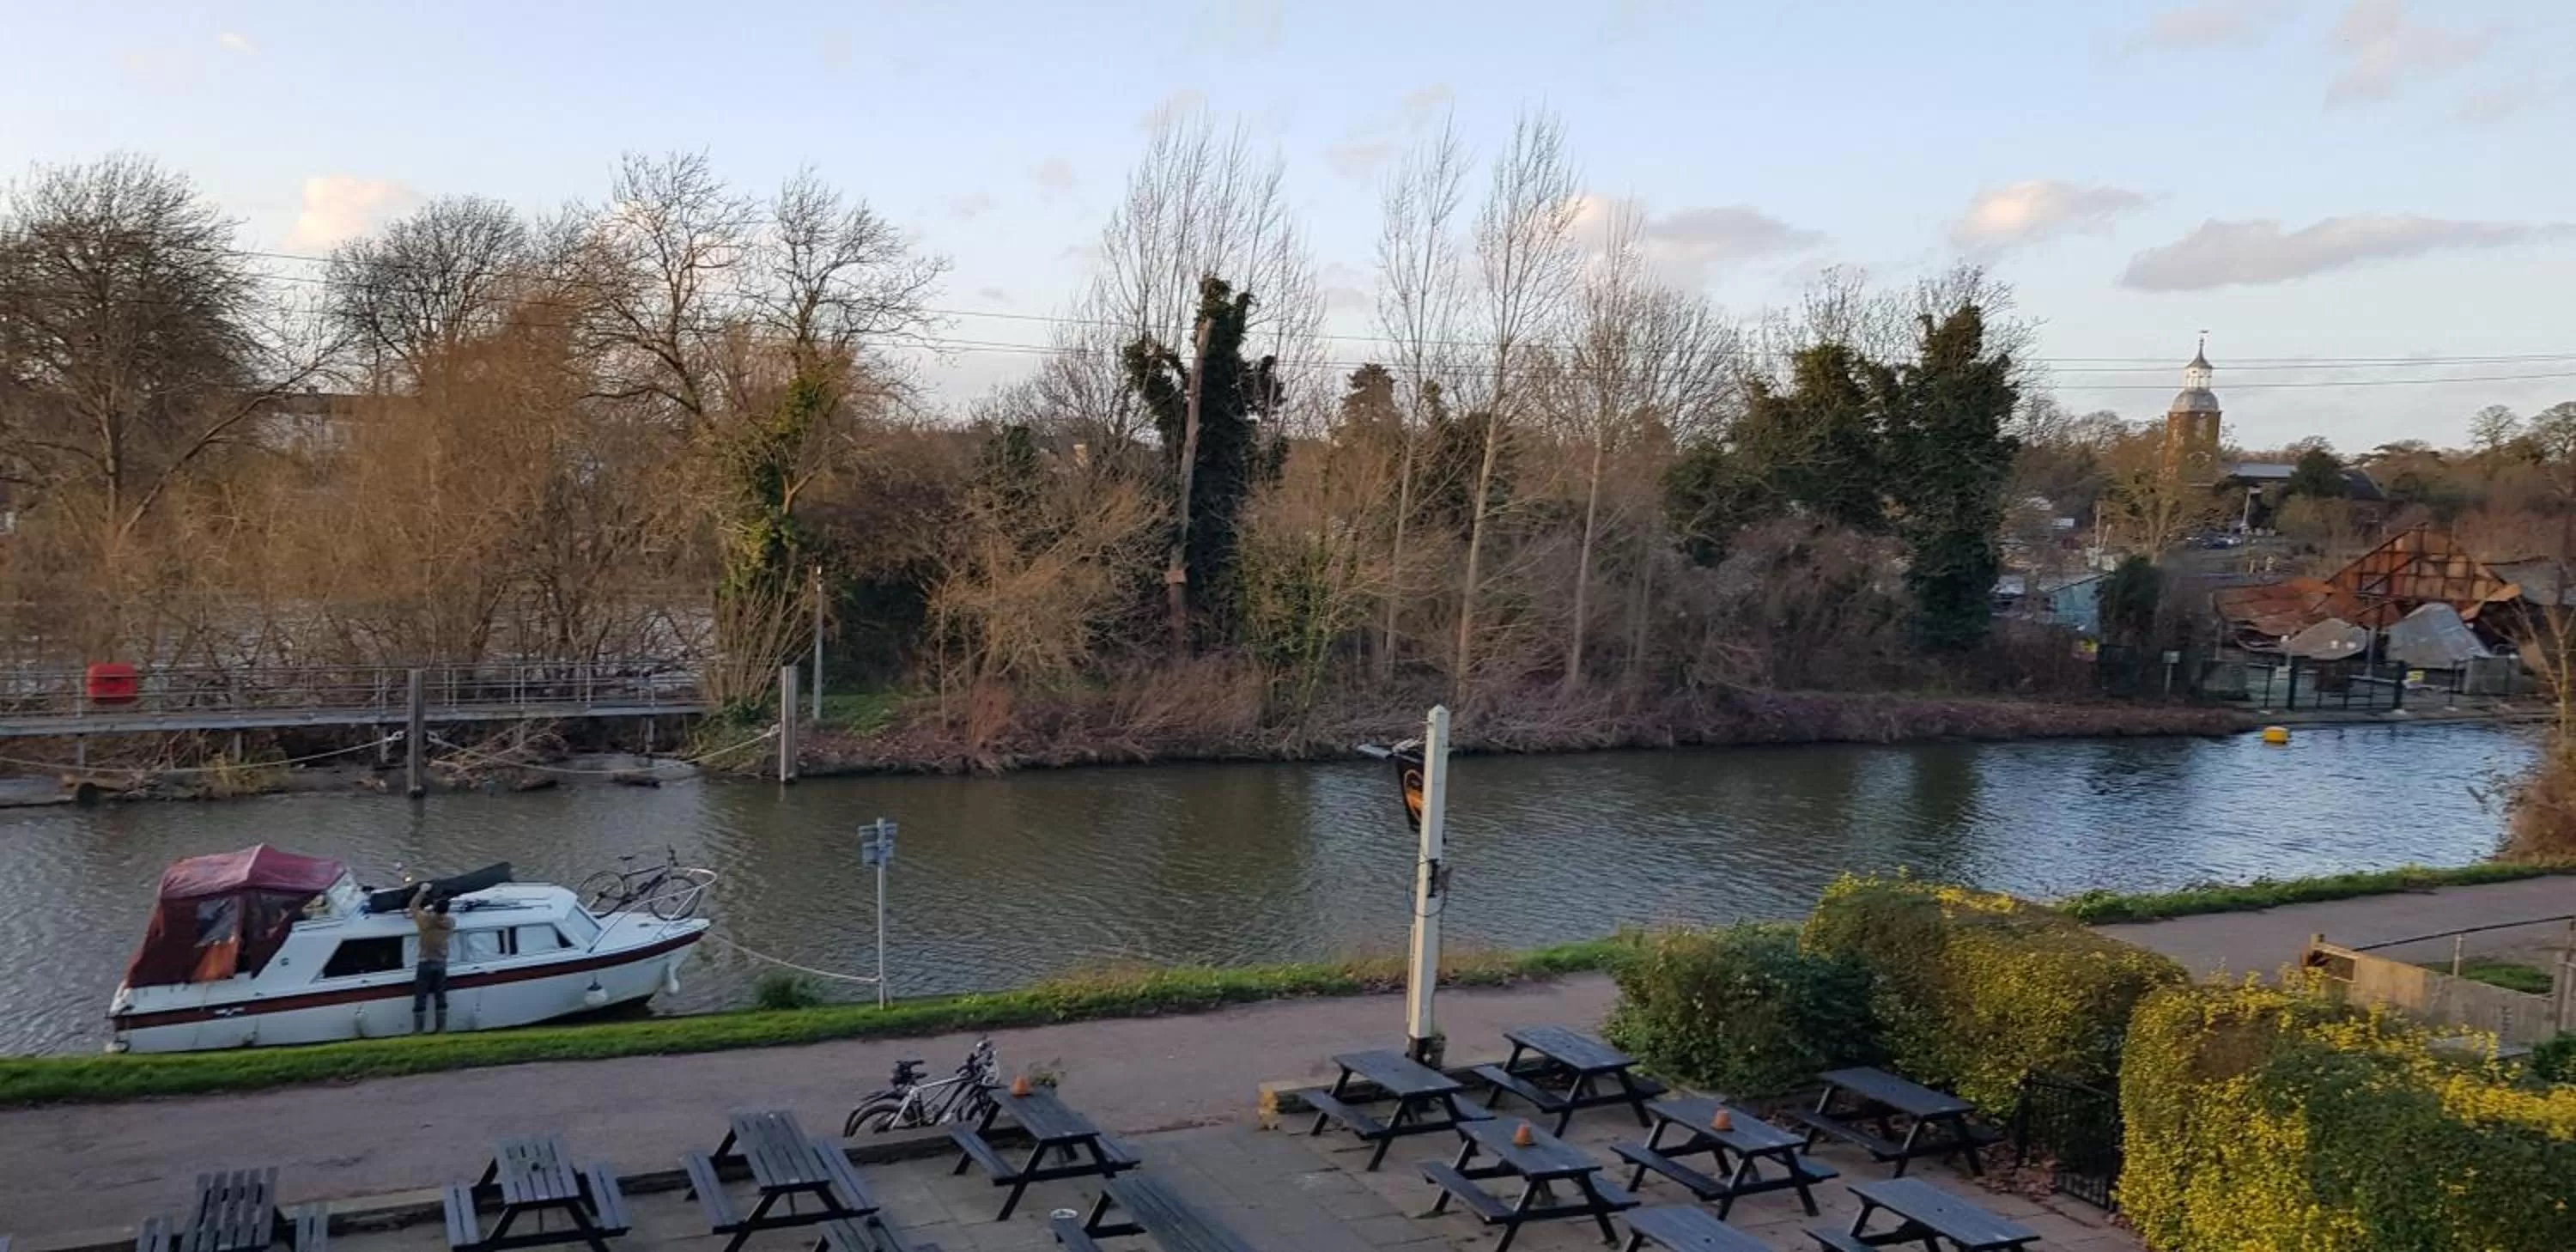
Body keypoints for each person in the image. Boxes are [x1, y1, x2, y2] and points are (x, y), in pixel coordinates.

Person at [407, 883, 456, 1034]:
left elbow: (413, 907)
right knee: (440, 996)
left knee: (420, 997)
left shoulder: (425, 921)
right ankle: (441, 1029)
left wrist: (422, 891)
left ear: (434, 909)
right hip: (441, 963)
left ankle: (418, 1031)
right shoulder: (450, 923)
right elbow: (441, 917)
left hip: (425, 962)